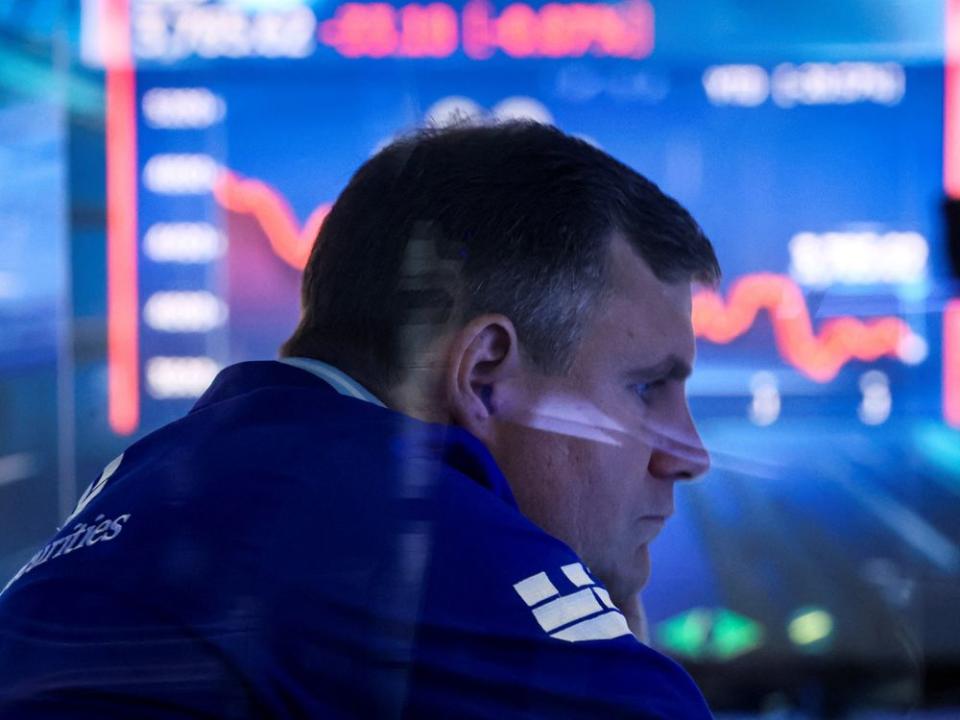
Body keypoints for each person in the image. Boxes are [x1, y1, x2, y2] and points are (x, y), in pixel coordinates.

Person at [0, 120, 720, 718]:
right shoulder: (399, 524)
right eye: (647, 387)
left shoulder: (159, 473)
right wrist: (610, 652)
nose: (688, 452)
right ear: (484, 376)